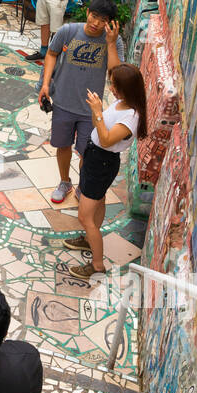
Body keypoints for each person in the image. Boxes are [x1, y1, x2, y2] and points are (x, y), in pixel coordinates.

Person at [65, 64, 148, 282]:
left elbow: (106, 139)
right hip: (94, 157)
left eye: (115, 85)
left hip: (102, 162)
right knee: (98, 202)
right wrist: (98, 115)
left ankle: (97, 265)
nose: (111, 88)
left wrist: (97, 112)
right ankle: (89, 239)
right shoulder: (122, 103)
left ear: (126, 89)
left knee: (85, 217)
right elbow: (98, 128)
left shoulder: (131, 117)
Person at [38, 0, 125, 205]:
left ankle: (82, 186)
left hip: (90, 109)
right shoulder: (68, 31)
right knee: (62, 145)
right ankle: (64, 182)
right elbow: (51, 54)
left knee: (87, 151)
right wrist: (45, 83)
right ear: (87, 12)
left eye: (102, 20)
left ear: (110, 22)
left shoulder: (113, 41)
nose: (96, 23)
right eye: (94, 16)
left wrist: (111, 43)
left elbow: (115, 74)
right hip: (63, 102)